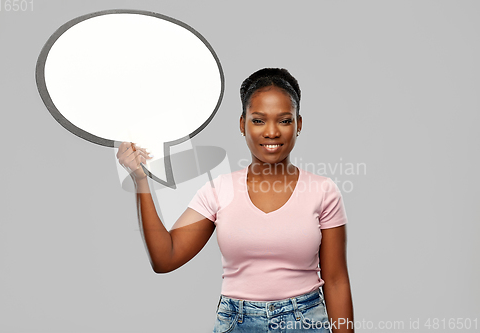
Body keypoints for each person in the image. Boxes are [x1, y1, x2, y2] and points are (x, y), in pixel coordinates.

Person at [117, 68, 354, 332]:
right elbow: (165, 258)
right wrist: (141, 180)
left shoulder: (323, 190)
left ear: (299, 124)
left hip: (306, 322)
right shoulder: (219, 190)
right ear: (242, 124)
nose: (272, 132)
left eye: (284, 121)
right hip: (238, 324)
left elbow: (335, 281)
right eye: (259, 120)